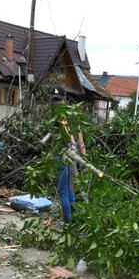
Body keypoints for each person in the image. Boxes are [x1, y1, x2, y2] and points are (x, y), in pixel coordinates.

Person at [50, 87, 85, 222]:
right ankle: (74, 218)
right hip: (72, 154)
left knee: (63, 190)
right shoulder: (73, 114)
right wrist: (83, 155)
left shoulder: (57, 113)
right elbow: (80, 137)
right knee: (70, 187)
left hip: (61, 153)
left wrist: (71, 143)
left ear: (64, 97)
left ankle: (68, 220)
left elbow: (68, 134)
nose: (56, 102)